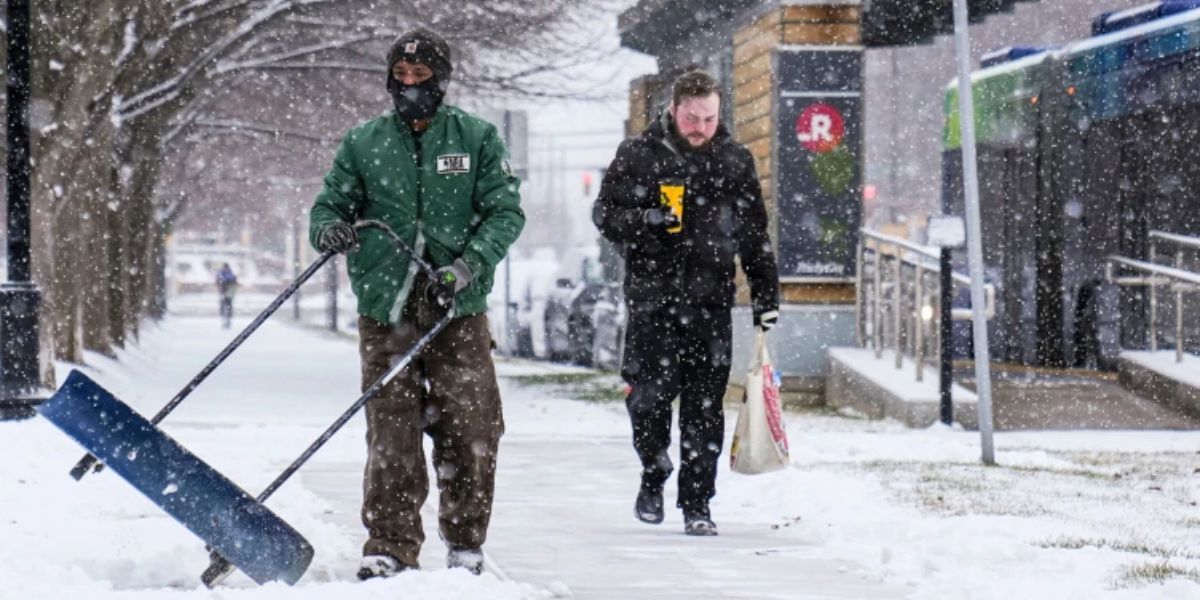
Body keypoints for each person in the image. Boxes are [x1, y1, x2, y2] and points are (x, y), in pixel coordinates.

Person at [308, 28, 524, 579]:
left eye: (420, 77)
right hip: (387, 307)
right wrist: (331, 229)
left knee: (472, 428)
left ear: (441, 81)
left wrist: (466, 265)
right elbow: (330, 204)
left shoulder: (475, 138)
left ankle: (466, 543)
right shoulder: (364, 142)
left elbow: (505, 213)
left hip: (458, 309)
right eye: (400, 77)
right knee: (391, 430)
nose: (408, 86)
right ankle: (390, 544)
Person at [593, 69, 780, 536]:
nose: (700, 127)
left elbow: (755, 235)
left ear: (721, 114)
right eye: (692, 117)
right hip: (652, 300)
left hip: (710, 302)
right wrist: (647, 218)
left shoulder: (734, 161)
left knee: (704, 408)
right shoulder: (638, 154)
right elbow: (605, 214)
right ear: (674, 110)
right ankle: (654, 474)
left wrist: (765, 294)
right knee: (648, 401)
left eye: (710, 119)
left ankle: (698, 503)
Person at [215, 263, 238, 329]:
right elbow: (218, 283)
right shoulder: (223, 275)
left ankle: (227, 321)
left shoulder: (229, 275)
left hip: (228, 294)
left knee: (228, 306)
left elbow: (234, 284)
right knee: (224, 307)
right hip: (224, 293)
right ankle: (225, 320)